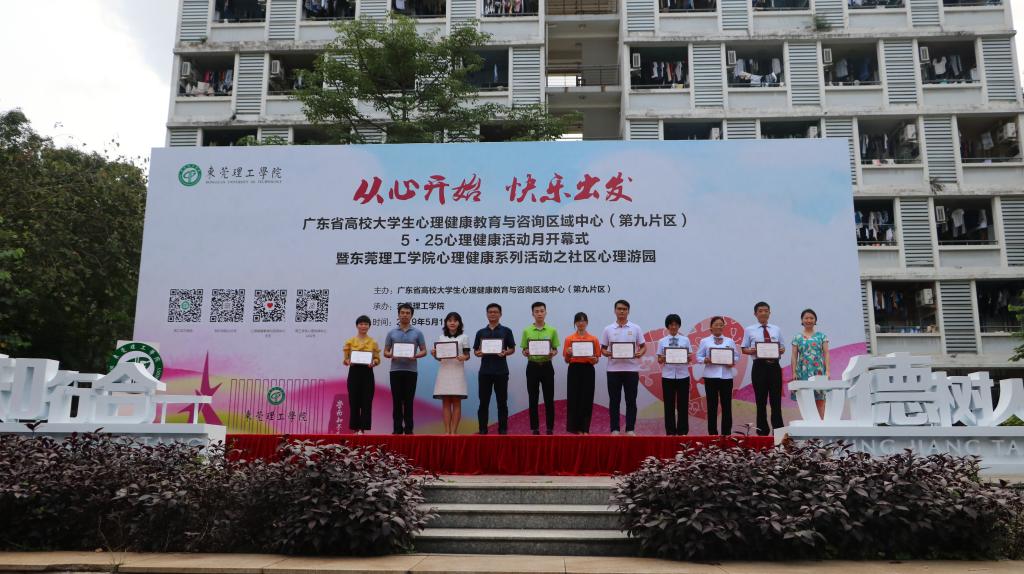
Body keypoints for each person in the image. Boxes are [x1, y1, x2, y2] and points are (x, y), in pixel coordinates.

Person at [600, 299, 646, 435]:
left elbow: (643, 346)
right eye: (619, 309)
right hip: (613, 370)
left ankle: (630, 429)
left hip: (631, 370)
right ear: (615, 311)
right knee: (614, 401)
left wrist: (640, 353)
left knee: (631, 401)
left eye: (624, 309)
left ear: (628, 311)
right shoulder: (608, 329)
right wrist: (606, 353)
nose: (622, 311)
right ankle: (614, 429)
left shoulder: (636, 328)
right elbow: (603, 349)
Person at [742, 301, 786, 436]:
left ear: (769, 313)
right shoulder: (749, 330)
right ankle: (762, 431)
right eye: (760, 311)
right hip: (759, 367)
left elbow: (782, 348)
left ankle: (778, 431)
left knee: (776, 400)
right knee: (760, 401)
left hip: (774, 367)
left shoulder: (776, 329)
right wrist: (753, 350)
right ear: (755, 314)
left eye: (766, 311)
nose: (763, 313)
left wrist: (780, 350)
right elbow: (744, 349)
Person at [382, 303, 427, 435]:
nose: (405, 315)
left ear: (411, 315)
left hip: (411, 371)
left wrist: (416, 355)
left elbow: (424, 351)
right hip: (395, 371)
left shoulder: (418, 333)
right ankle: (397, 429)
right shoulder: (391, 333)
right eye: (402, 312)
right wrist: (391, 355)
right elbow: (385, 351)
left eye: (407, 313)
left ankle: (408, 429)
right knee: (396, 401)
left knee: (408, 401)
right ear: (398, 314)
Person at [473, 303, 516, 434]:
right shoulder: (480, 332)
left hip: (501, 371)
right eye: (490, 312)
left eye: (495, 312)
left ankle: (502, 429)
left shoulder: (506, 331)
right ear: (487, 314)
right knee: (483, 402)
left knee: (502, 402)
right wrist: (478, 353)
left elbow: (512, 349)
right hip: (485, 372)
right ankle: (482, 429)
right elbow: (476, 350)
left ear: (500, 314)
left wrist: (506, 352)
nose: (492, 314)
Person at [696, 316, 740, 436]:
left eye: (721, 325)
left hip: (726, 377)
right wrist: (705, 360)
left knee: (726, 406)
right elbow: (698, 357)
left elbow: (736, 356)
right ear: (711, 327)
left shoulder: (729, 341)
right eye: (716, 324)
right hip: (710, 377)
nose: (719, 327)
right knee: (712, 406)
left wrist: (732, 361)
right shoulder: (705, 341)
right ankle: (712, 434)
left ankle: (726, 434)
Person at [521, 301, 560, 435]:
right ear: (532, 313)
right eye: (536, 311)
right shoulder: (526, 331)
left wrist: (552, 353)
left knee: (549, 398)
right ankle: (535, 428)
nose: (539, 313)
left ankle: (550, 428)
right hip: (532, 366)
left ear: (546, 312)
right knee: (533, 398)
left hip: (547, 366)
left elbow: (555, 349)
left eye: (542, 311)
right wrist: (525, 352)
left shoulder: (552, 330)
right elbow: (524, 349)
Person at [431, 312, 470, 434]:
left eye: (455, 320)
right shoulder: (441, 338)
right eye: (450, 320)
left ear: (459, 323)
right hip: (444, 371)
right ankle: (447, 431)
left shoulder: (464, 337)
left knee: (457, 402)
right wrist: (434, 355)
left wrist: (464, 357)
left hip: (457, 371)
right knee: (446, 402)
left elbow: (467, 355)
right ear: (446, 323)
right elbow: (440, 358)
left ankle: (454, 432)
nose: (452, 323)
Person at [342, 315, 380, 435]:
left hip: (367, 372)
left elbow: (377, 358)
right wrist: (348, 361)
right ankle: (355, 427)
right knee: (354, 400)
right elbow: (345, 359)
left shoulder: (373, 342)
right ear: (357, 326)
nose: (363, 326)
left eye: (366, 324)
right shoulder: (350, 341)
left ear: (369, 326)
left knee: (366, 400)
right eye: (361, 324)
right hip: (354, 372)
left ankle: (363, 428)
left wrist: (374, 362)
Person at [563, 312, 600, 435]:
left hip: (588, 369)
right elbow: (566, 360)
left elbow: (596, 359)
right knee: (574, 398)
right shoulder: (569, 339)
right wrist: (568, 354)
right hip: (574, 369)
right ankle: (575, 428)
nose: (581, 323)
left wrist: (594, 360)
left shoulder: (593, 339)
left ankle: (585, 428)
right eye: (578, 321)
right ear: (575, 323)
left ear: (587, 322)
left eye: (583, 320)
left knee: (587, 398)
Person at [656, 314, 692, 436]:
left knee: (683, 404)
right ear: (667, 326)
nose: (673, 327)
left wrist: (685, 358)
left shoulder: (685, 340)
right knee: (668, 405)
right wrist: (663, 358)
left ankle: (683, 432)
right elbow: (659, 359)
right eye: (671, 324)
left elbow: (689, 357)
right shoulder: (662, 341)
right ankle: (670, 431)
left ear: (679, 326)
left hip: (683, 376)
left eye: (676, 324)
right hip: (667, 376)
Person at [790, 308, 830, 418]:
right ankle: (809, 424)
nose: (809, 320)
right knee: (805, 399)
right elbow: (794, 356)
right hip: (802, 371)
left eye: (811, 318)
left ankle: (821, 425)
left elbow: (826, 353)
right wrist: (794, 372)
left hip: (818, 371)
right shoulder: (797, 337)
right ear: (802, 320)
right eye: (806, 318)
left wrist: (827, 370)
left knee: (820, 399)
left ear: (815, 320)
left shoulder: (822, 336)